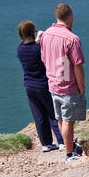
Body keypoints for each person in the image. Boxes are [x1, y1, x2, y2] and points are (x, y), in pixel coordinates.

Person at [40, 2, 87, 162]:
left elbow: (44, 59)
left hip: (53, 84)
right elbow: (77, 66)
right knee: (68, 122)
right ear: (70, 17)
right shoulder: (72, 39)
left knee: (60, 119)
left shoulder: (46, 34)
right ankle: (69, 154)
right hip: (68, 86)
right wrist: (82, 88)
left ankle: (69, 147)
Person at [16, 21, 65, 152]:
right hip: (43, 85)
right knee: (53, 112)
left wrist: (36, 39)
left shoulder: (20, 49)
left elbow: (29, 46)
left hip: (29, 86)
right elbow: (43, 53)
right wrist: (39, 39)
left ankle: (46, 143)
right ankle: (62, 141)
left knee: (39, 115)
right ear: (33, 32)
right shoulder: (38, 48)